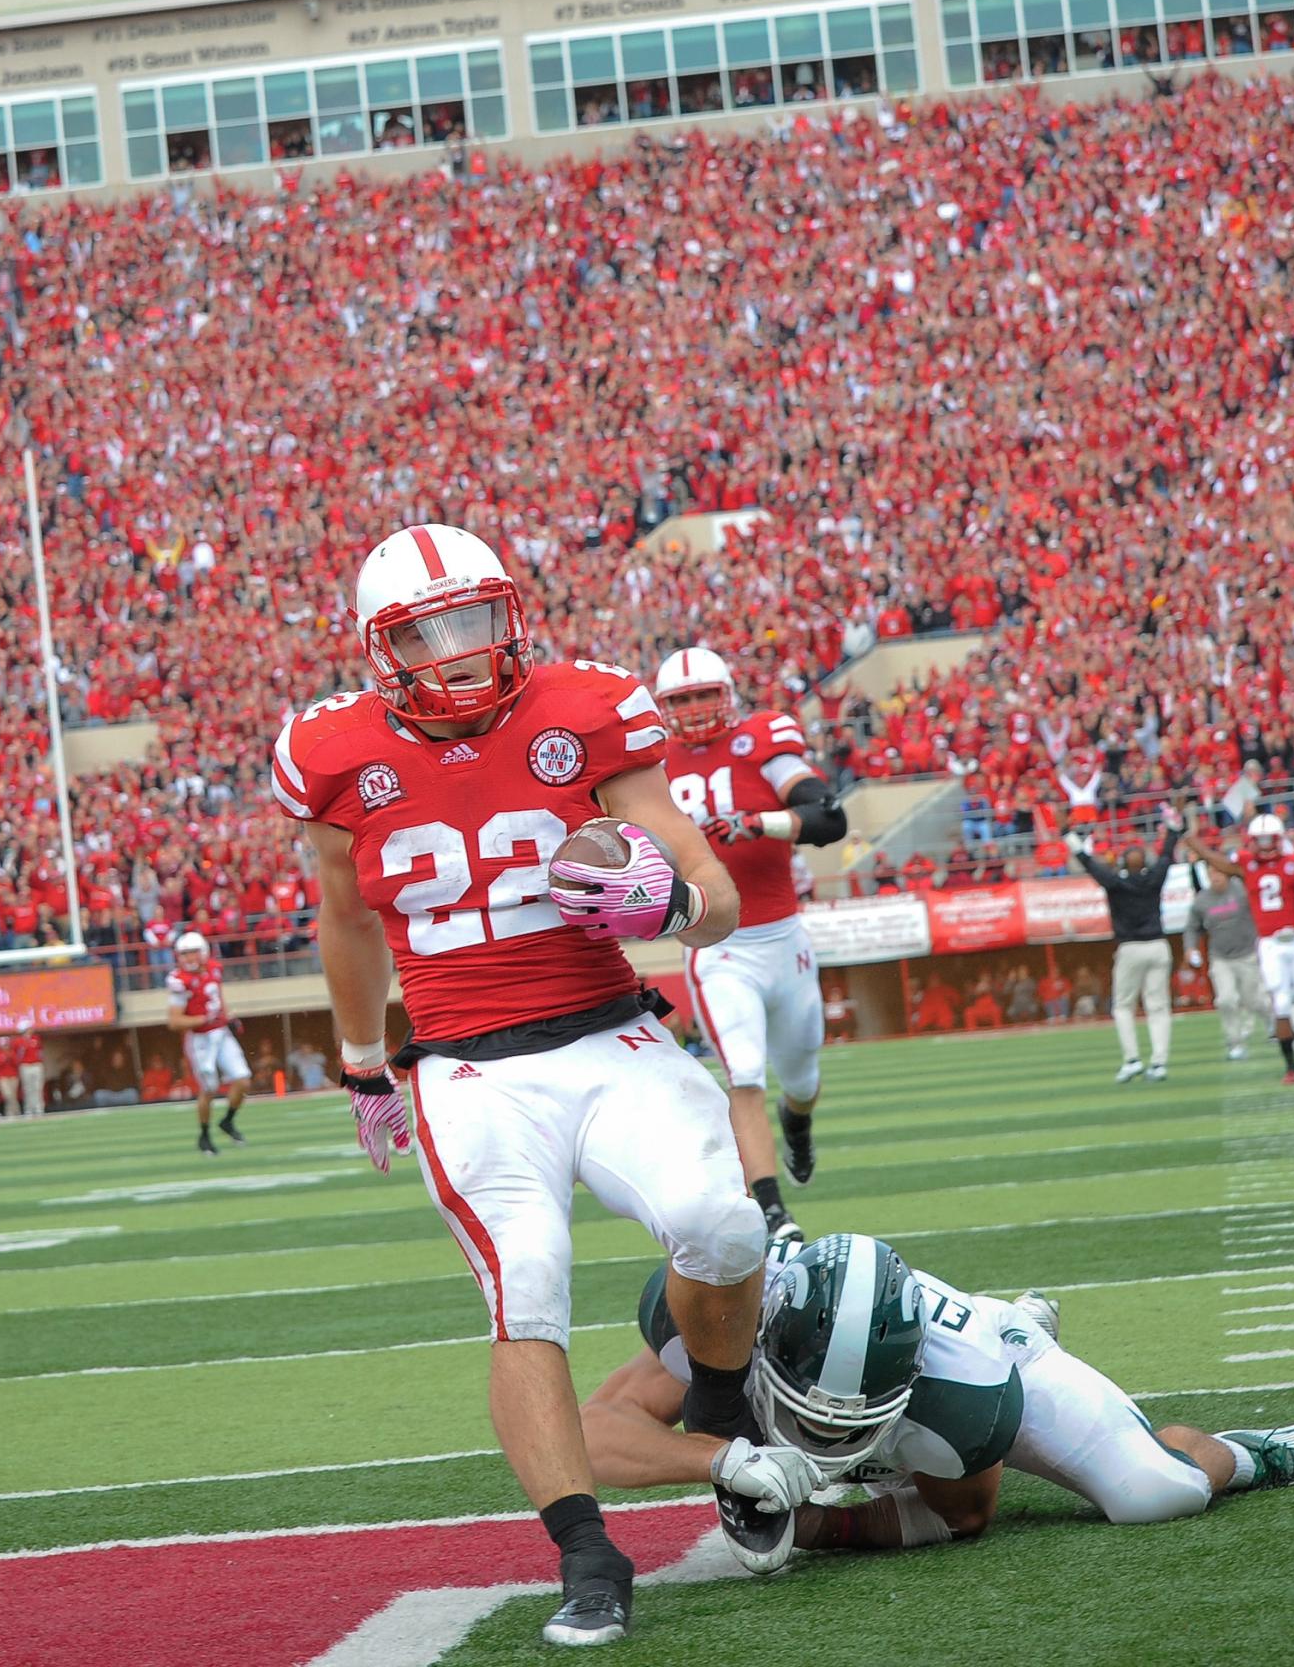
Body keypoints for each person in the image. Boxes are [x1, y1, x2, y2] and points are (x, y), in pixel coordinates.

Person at [277, 524, 764, 1646]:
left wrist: (671, 911)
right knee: (526, 1279)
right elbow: (345, 917)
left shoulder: (585, 704)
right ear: (379, 647)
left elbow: (708, 883)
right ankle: (587, 1552)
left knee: (721, 1223)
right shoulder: (331, 749)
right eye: (427, 630)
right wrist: (360, 1059)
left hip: (606, 1031)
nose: (459, 647)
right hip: (466, 1064)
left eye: (477, 617)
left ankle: (727, 1410)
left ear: (511, 612)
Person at [583, 1232, 1294, 1570]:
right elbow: (589, 1432)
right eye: (812, 1413)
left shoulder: (960, 1395)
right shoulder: (723, 1309)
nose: (823, 1434)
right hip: (872, 1375)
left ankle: (1257, 1453)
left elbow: (962, 1517)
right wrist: (722, 1456)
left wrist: (819, 1521)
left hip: (992, 1355)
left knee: (1156, 1492)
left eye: (846, 1421)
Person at [652, 646, 847, 1245]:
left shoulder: (762, 738)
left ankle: (798, 1125)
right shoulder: (651, 763)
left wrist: (762, 823)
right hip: (717, 943)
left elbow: (827, 816)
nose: (692, 709)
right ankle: (771, 1207)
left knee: (803, 1076)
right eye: (680, 700)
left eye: (702, 694)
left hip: (784, 937)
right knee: (742, 1071)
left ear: (727, 694)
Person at [1186, 813, 1294, 1082]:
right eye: (1260, 840)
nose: (1265, 845)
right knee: (1282, 1003)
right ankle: (1290, 1066)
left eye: (1269, 839)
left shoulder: (1292, 864)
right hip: (1269, 943)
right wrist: (1191, 840)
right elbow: (1216, 861)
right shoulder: (1246, 866)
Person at [1071, 817, 1178, 1085]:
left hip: (1130, 948)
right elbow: (1167, 853)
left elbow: (1087, 861)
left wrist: (1066, 834)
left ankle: (1132, 1060)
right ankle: (1159, 1062)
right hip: (1157, 945)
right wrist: (1175, 826)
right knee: (1158, 1007)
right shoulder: (1154, 878)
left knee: (1123, 1007)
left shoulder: (1115, 883)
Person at [165, 929, 250, 1154]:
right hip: (200, 1039)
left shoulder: (214, 969)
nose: (188, 959)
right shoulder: (179, 981)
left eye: (192, 953)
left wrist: (227, 1014)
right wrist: (203, 1018)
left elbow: (218, 997)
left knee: (243, 1080)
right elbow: (174, 1021)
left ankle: (228, 1121)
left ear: (203, 952)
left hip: (221, 1032)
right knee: (209, 1089)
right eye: (184, 954)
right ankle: (204, 1135)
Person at [1184, 840, 1262, 1062]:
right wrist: (1190, 947)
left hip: (1247, 954)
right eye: (1211, 873)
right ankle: (1235, 1042)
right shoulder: (1202, 900)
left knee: (1254, 1000)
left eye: (1219, 871)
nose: (1216, 876)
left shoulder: (1242, 889)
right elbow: (1192, 927)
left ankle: (1273, 1024)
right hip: (1220, 958)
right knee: (1226, 1000)